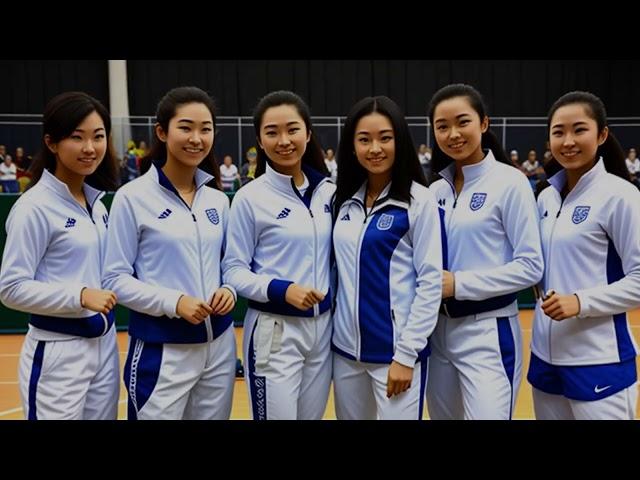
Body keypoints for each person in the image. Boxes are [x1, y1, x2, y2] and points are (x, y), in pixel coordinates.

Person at [103, 86, 237, 420]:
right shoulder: (132, 198)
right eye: (186, 127)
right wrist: (174, 302)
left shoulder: (218, 200)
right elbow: (114, 279)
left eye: (205, 129)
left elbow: (231, 265)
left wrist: (229, 289)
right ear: (162, 132)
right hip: (161, 350)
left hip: (219, 349)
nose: (196, 138)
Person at [0, 91, 120, 419]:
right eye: (77, 137)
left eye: (98, 137)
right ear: (51, 143)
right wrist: (79, 296)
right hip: (58, 351)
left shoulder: (97, 204)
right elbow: (11, 288)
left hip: (104, 346)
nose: (90, 148)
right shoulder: (33, 208)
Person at [426, 84, 543, 420]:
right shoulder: (435, 190)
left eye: (462, 122)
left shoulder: (510, 182)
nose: (453, 134)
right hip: (436, 332)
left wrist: (458, 284)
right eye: (442, 126)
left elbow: (530, 266)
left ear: (484, 123)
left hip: (487, 331)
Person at [528, 91, 640, 420]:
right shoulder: (545, 197)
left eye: (579, 130)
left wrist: (580, 301)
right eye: (558, 132)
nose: (568, 141)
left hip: (599, 360)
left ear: (602, 135)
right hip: (544, 359)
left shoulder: (621, 196)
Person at [222, 90, 334, 420]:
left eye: (292, 129)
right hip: (274, 331)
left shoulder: (329, 192)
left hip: (323, 331)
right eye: (272, 132)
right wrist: (282, 290)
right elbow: (233, 270)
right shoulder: (249, 198)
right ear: (259, 140)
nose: (284, 141)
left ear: (308, 133)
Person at [331, 96, 442, 420]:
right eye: (364, 139)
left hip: (396, 356)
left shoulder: (419, 201)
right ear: (352, 146)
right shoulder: (343, 201)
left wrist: (407, 354)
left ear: (400, 141)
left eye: (385, 138)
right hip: (346, 355)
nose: (375, 148)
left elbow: (430, 281)